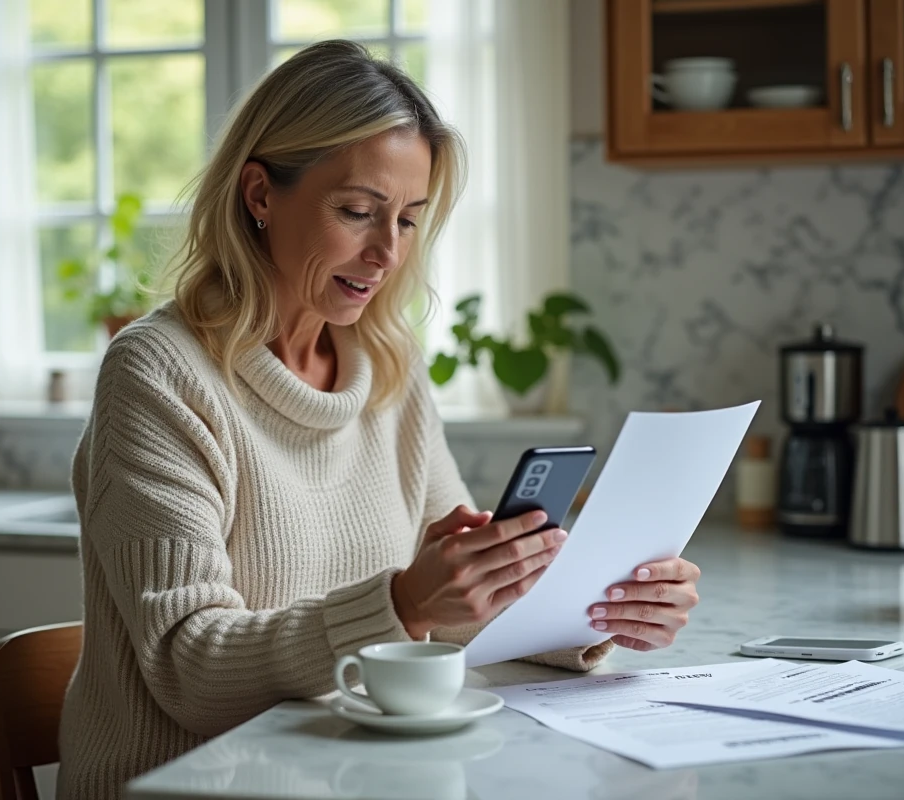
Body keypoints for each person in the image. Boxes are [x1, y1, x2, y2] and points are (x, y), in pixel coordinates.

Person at [56, 40, 701, 799]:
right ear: (259, 194)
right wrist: (403, 603)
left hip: (349, 774)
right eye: (358, 212)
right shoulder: (159, 374)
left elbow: (455, 611)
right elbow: (189, 668)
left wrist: (595, 611)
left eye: (407, 220)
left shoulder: (388, 367)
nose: (386, 252)